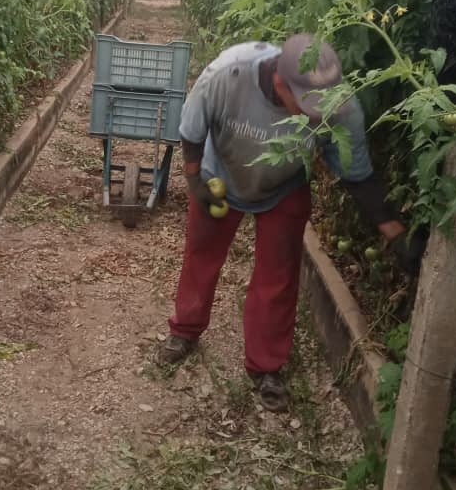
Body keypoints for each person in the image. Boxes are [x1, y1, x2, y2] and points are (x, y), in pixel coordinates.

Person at [157, 34, 426, 412]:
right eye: (304, 107)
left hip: (283, 185)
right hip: (220, 174)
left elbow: (358, 177)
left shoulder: (339, 105)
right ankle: (184, 330)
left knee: (277, 277)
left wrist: (396, 235)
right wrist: (194, 182)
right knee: (201, 256)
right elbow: (191, 131)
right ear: (280, 81)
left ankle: (266, 368)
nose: (312, 116)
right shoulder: (226, 75)